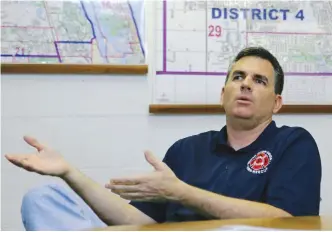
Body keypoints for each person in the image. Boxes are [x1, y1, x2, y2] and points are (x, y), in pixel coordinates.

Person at [5, 47, 322, 231]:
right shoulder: (187, 149)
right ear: (222, 93)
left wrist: (183, 193)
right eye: (237, 77)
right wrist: (69, 173)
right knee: (43, 198)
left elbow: (287, 223)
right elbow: (136, 221)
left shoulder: (294, 144)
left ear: (277, 102)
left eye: (259, 80)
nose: (245, 84)